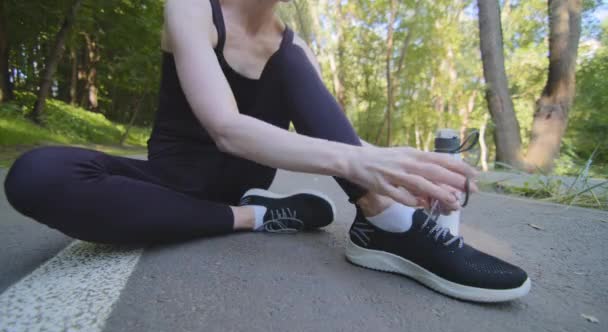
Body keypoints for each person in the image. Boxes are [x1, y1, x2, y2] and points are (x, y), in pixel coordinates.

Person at [3, 0, 530, 302]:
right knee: (36, 175)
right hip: (171, 179)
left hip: (241, 172)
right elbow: (226, 127)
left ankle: (386, 224)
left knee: (294, 58)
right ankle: (257, 215)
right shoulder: (192, 8)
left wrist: (412, 168)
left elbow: (338, 140)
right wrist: (359, 161)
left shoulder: (294, 49)